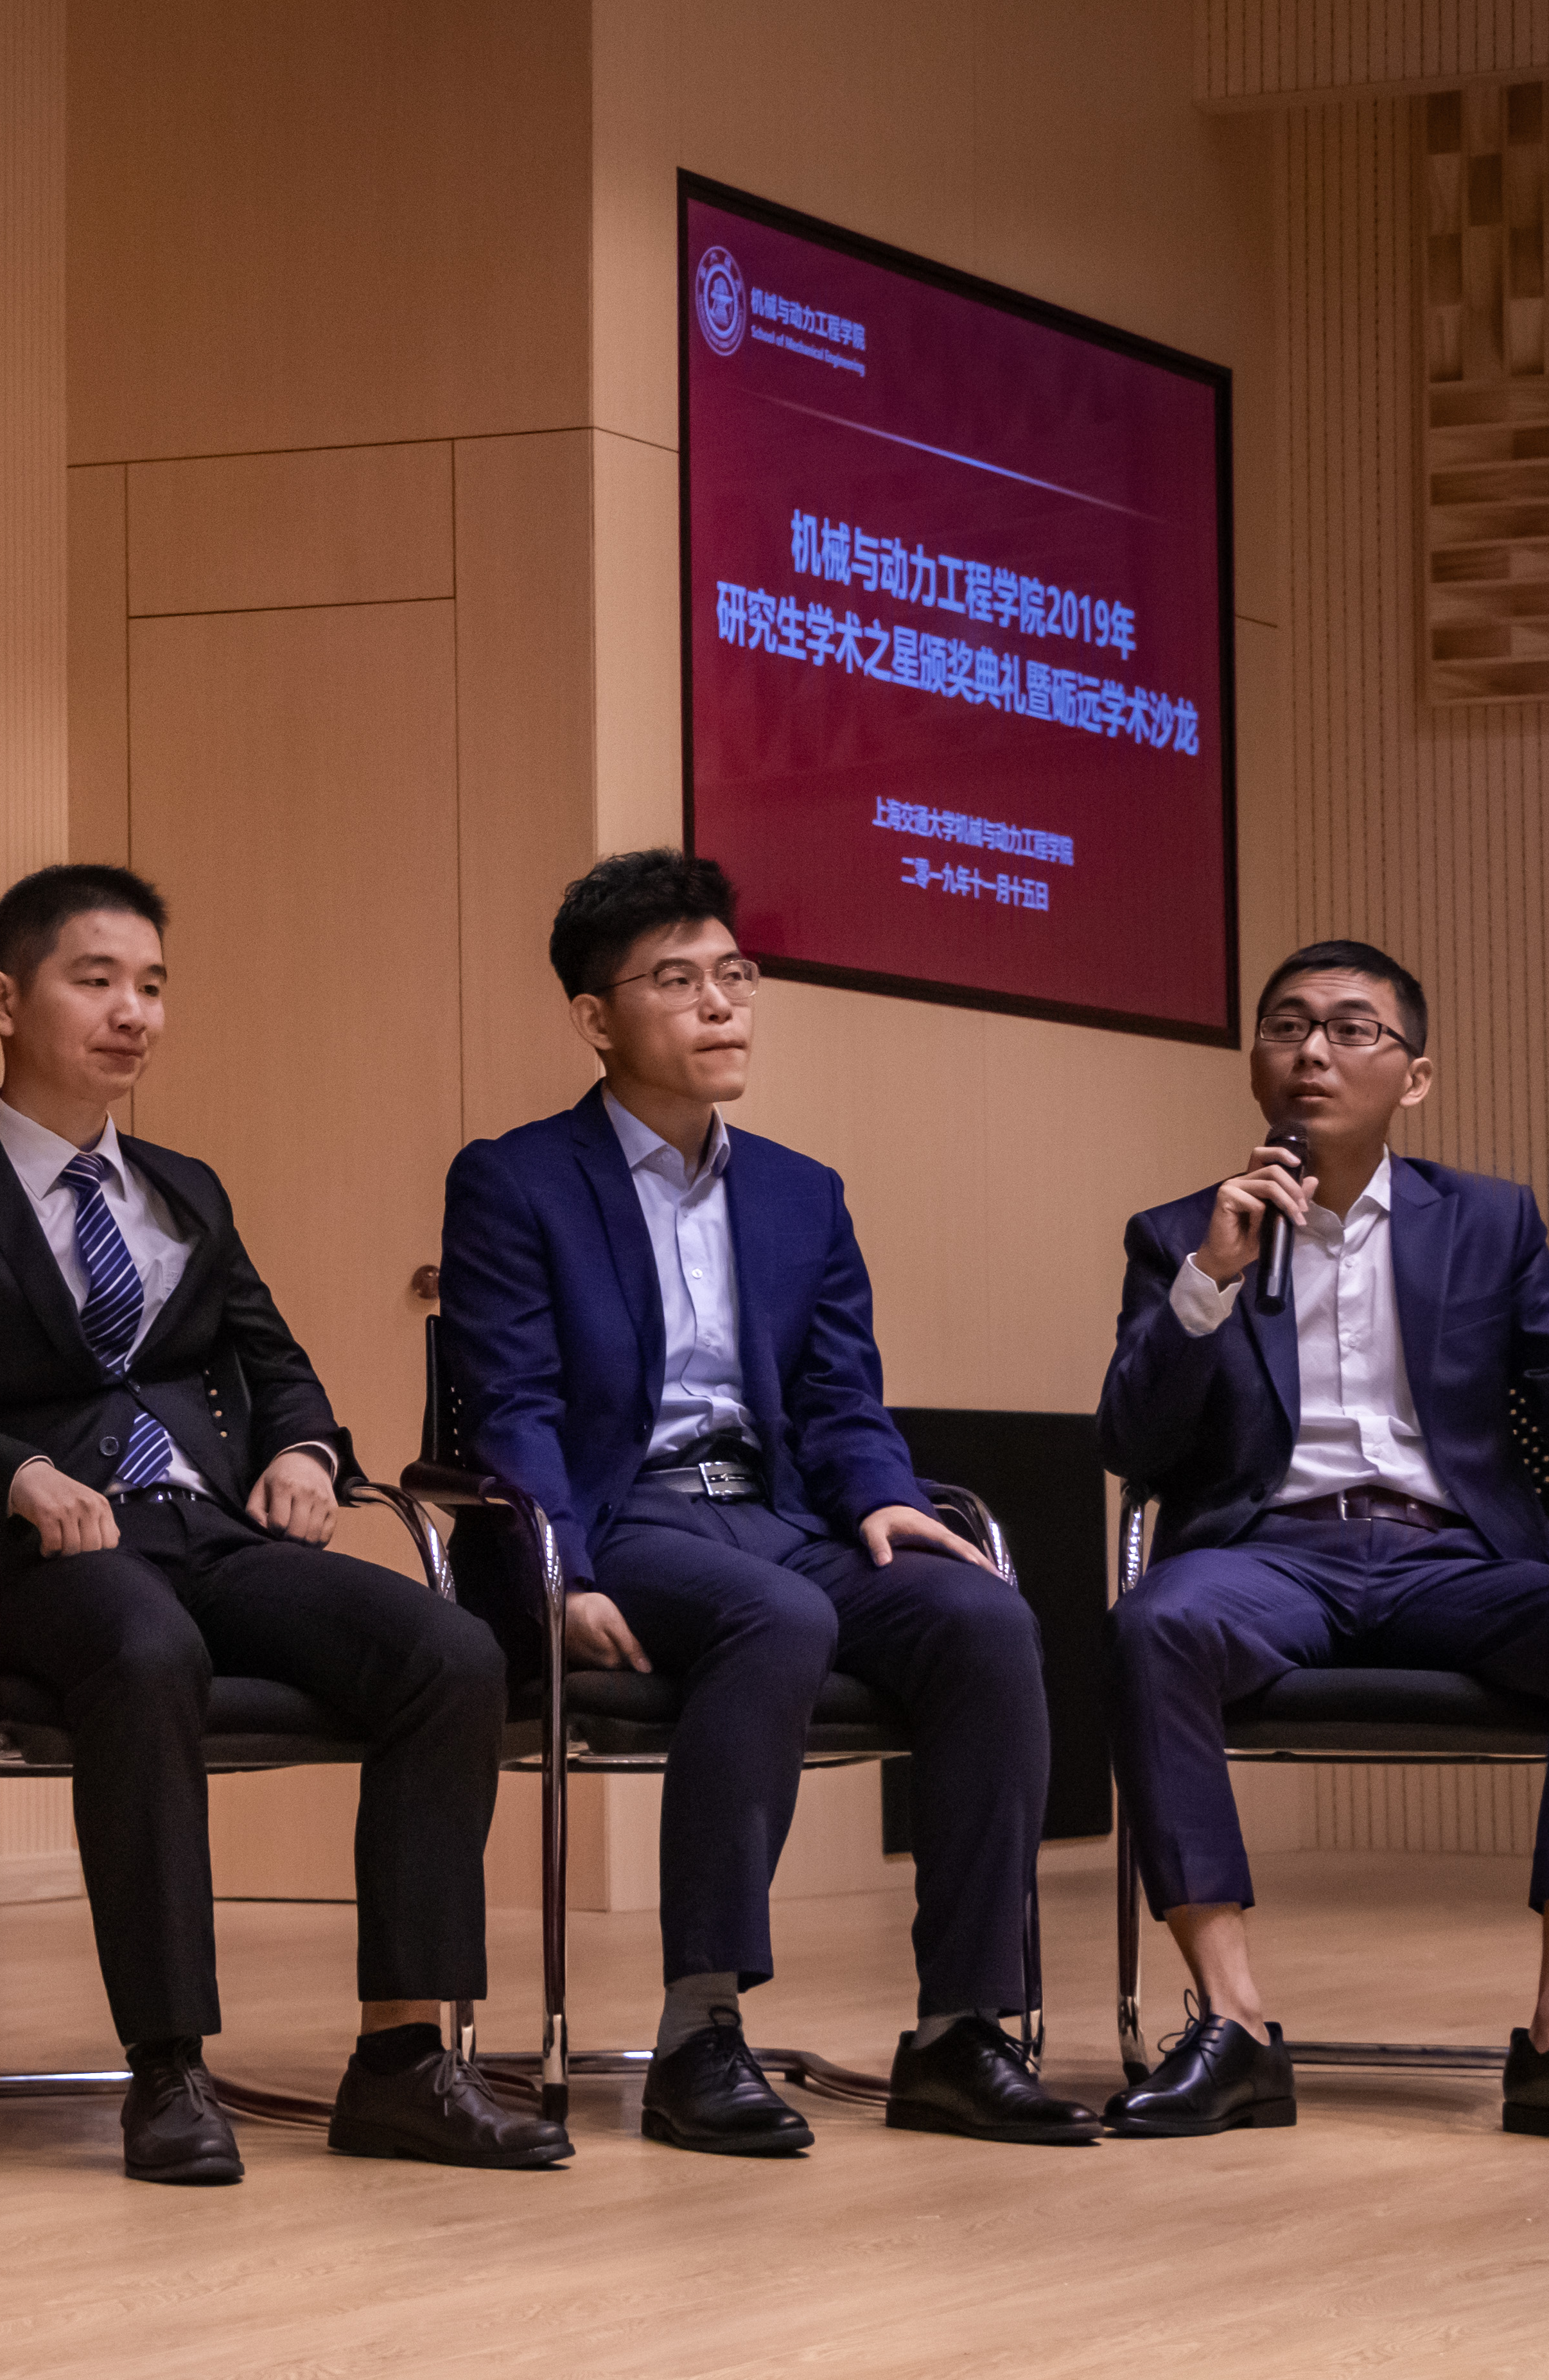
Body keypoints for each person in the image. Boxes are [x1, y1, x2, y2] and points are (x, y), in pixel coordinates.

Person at [0, 862, 558, 2184]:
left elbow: (274, 1361)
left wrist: (307, 1449)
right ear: (5, 999)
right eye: (95, 980)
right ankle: (167, 2067)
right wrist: (13, 1472)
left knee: (449, 1654)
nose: (133, 1013)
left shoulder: (186, 1189)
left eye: (152, 986)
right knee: (148, 1650)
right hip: (35, 1563)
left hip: (206, 1534)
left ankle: (401, 2061)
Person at [435, 849, 1089, 2153]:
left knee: (983, 1621)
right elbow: (508, 1409)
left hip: (781, 1516)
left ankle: (962, 2032)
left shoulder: (800, 1191)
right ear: (595, 1017)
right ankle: (701, 2031)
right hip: (621, 1520)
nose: (721, 1003)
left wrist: (884, 1497)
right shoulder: (515, 1180)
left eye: (734, 974)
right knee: (775, 1617)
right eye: (677, 980)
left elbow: (841, 1393)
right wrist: (562, 1571)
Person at [1097, 941, 1549, 2146]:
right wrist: (1209, 1281)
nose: (1313, 1052)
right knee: (1153, 1624)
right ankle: (1233, 2029)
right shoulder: (1180, 1230)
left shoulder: (1490, 1221)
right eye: (1287, 1027)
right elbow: (1133, 1439)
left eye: (1351, 1029)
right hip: (1267, 1560)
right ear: (1254, 1064)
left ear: (1416, 1075)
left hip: (1453, 1561)